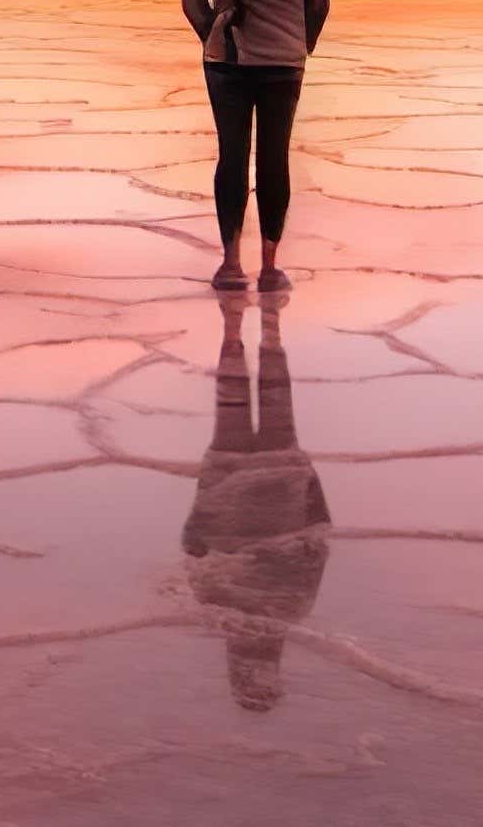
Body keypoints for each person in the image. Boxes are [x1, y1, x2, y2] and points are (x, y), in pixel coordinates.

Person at [179, 0, 330, 291]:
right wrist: (298, 44)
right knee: (273, 159)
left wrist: (216, 34)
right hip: (283, 65)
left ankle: (230, 263)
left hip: (228, 63)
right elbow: (318, 1)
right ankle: (268, 266)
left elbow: (192, 2)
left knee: (232, 156)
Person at [182, 289, 327, 711]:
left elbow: (314, 546)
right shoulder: (239, 611)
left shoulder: (284, 611)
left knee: (267, 397)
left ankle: (261, 330)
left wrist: (310, 484)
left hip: (269, 482)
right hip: (252, 482)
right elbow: (195, 546)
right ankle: (248, 329)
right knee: (242, 398)